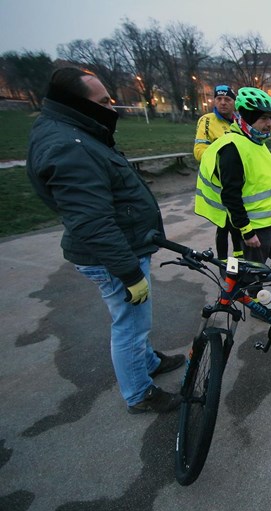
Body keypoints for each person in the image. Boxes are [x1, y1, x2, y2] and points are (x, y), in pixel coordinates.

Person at [26, 67, 184, 414]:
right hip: (115, 255)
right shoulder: (70, 145)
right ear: (76, 103)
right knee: (130, 325)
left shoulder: (74, 132)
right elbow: (92, 221)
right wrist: (129, 273)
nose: (112, 108)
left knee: (134, 321)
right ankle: (139, 393)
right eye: (104, 101)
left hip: (122, 246)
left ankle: (148, 362)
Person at [195, 87, 271, 268]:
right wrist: (247, 231)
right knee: (252, 277)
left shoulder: (256, 140)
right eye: (264, 118)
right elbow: (230, 195)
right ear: (248, 118)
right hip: (255, 227)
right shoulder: (232, 147)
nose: (270, 123)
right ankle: (247, 296)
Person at [193, 85, 243, 262]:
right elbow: (199, 151)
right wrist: (224, 159)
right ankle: (222, 263)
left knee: (237, 222)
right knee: (223, 225)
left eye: (227, 99)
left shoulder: (239, 120)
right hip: (218, 182)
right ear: (214, 100)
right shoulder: (207, 120)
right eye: (219, 99)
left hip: (238, 181)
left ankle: (238, 260)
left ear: (234, 102)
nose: (223, 103)